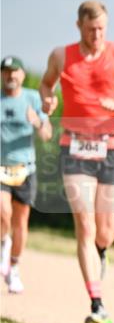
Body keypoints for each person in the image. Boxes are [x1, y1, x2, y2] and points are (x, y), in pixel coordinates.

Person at [39, 0, 114, 323]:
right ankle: (97, 304)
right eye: (91, 29)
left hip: (112, 149)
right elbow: (46, 84)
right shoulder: (61, 56)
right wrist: (48, 98)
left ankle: (101, 251)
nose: (97, 35)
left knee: (105, 232)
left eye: (102, 28)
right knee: (85, 226)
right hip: (74, 148)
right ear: (79, 26)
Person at [1, 55, 54, 293]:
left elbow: (47, 134)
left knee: (21, 221)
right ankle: (4, 244)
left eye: (15, 72)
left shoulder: (32, 98)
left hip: (25, 169)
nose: (11, 76)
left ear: (22, 75)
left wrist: (38, 123)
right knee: (3, 212)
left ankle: (14, 268)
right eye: (6, 72)